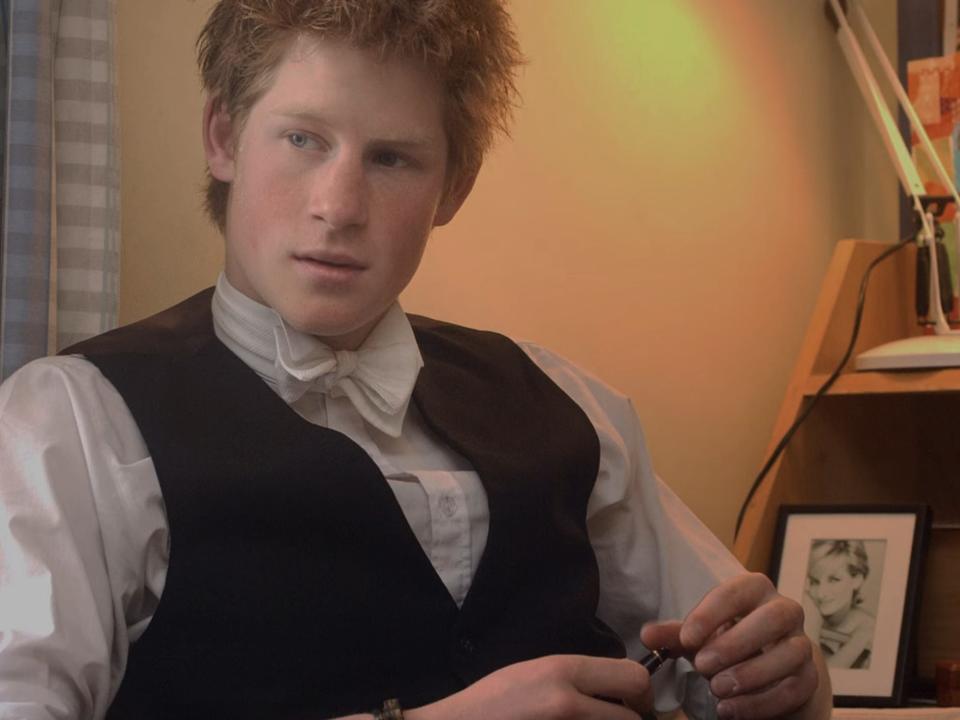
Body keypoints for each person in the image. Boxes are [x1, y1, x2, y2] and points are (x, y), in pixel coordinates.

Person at [0, 1, 831, 719]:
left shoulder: (566, 403)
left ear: (455, 185)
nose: (338, 207)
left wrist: (791, 682)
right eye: (301, 139)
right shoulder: (70, 424)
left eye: (391, 159)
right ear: (223, 136)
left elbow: (733, 661)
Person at [804, 540, 875, 670]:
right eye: (815, 581)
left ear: (857, 579)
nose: (821, 593)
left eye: (834, 580)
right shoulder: (809, 614)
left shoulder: (870, 629)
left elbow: (820, 680)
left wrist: (860, 638)